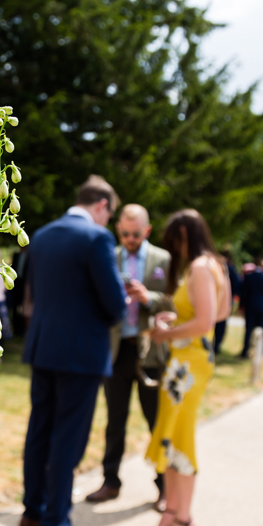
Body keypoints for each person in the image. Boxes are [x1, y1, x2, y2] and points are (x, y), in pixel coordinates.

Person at [21, 175, 127, 526]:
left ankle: (32, 511)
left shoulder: (43, 234)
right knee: (68, 439)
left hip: (43, 346)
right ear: (102, 206)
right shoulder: (97, 238)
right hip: (81, 354)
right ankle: (55, 525)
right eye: (109, 215)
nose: (108, 222)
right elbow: (114, 305)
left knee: (39, 430)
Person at [145, 209, 230, 526]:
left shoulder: (199, 267)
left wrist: (166, 334)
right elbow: (220, 313)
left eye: (174, 242)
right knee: (173, 431)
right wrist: (178, 320)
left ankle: (183, 516)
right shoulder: (214, 265)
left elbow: (206, 322)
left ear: (183, 236)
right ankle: (173, 511)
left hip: (188, 365)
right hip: (190, 360)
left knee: (180, 435)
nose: (175, 250)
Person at [86, 203, 172, 508]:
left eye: (135, 234)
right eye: (124, 233)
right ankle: (110, 481)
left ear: (146, 231)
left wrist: (150, 298)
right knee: (115, 420)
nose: (129, 238)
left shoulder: (164, 259)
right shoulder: (110, 256)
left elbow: (176, 300)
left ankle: (165, 486)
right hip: (117, 350)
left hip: (152, 351)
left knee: (156, 421)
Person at [238, 258, 263, 358]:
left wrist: (241, 306)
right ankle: (262, 351)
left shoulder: (249, 277)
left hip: (250, 306)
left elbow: (244, 294)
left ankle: (245, 351)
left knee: (248, 330)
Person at [212, 247, 241, 355]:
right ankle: (217, 346)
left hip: (213, 298)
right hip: (226, 299)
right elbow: (236, 284)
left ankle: (212, 344)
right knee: (221, 324)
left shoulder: (215, 265)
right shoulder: (231, 268)